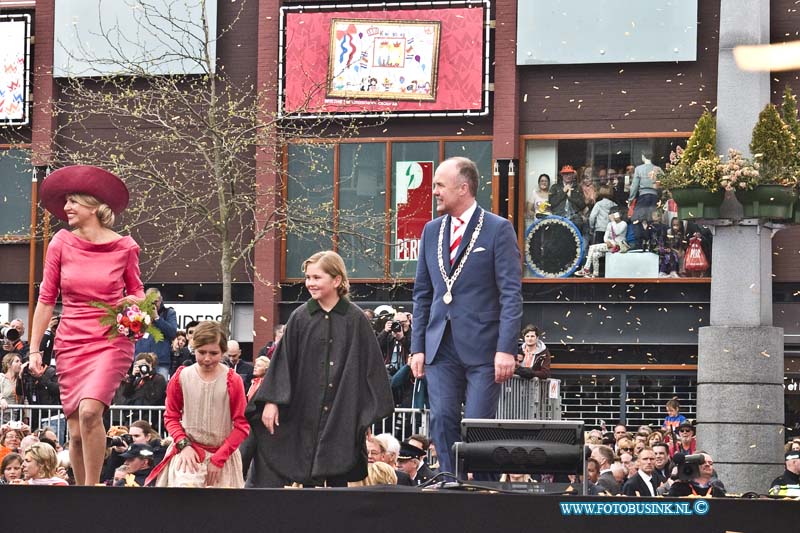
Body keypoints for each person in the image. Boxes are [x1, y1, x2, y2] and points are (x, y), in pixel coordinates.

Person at [28, 165, 145, 486]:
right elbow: (46, 298)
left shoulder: (124, 247)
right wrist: (35, 348)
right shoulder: (60, 243)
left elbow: (137, 291)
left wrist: (132, 303)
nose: (66, 207)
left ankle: (93, 492)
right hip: (70, 341)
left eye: (73, 201)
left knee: (92, 412)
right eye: (65, 201)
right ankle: (82, 493)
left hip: (111, 339)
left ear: (94, 206)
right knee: (77, 431)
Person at [410, 157, 523, 478]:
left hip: (485, 351)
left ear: (463, 188)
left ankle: (483, 491)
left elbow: (511, 295)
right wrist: (417, 346)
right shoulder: (431, 232)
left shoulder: (498, 229)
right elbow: (422, 294)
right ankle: (450, 483)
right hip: (439, 346)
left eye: (439, 185)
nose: (433, 192)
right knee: (442, 418)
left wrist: (506, 348)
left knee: (477, 426)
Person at [246, 251, 393, 488]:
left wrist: (365, 414)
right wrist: (272, 401)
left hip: (341, 411)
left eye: (317, 277)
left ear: (336, 280)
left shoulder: (355, 319)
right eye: (308, 277)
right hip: (304, 409)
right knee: (302, 466)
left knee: (338, 471)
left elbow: (372, 368)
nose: (310, 283)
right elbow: (283, 361)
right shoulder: (300, 317)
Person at [147, 321, 249, 488]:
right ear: (193, 348)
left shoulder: (233, 380)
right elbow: (171, 416)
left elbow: (242, 425)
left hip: (222, 457)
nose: (207, 358)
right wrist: (183, 445)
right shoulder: (181, 377)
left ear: (223, 352)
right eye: (201, 352)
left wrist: (219, 458)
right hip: (188, 454)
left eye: (214, 353)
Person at [134, 288, 178, 381]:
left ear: (161, 300)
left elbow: (172, 333)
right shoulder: (138, 312)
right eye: (150, 301)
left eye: (156, 302)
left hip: (161, 361)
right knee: (138, 389)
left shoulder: (169, 313)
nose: (153, 305)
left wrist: (157, 318)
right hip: (140, 359)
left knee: (160, 390)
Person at [574, 207, 628, 278]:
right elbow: (606, 236)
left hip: (619, 245)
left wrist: (612, 221)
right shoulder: (609, 224)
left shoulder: (623, 224)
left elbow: (617, 231)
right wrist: (606, 241)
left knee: (592, 248)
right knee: (595, 255)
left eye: (614, 213)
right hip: (610, 245)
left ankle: (586, 269)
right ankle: (595, 274)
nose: (612, 215)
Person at [629, 149, 662, 249]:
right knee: (651, 220)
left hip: (643, 196)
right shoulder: (658, 169)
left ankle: (640, 242)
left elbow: (634, 186)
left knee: (636, 219)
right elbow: (664, 184)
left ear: (643, 156)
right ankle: (651, 242)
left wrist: (630, 199)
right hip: (654, 197)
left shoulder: (639, 169)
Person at [549, 165, 586, 230]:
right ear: (562, 175)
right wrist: (563, 191)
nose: (568, 176)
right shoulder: (555, 187)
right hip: (558, 218)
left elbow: (582, 205)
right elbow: (551, 203)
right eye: (565, 174)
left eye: (570, 174)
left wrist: (570, 196)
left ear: (573, 175)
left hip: (575, 220)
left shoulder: (578, 187)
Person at [0, 353, 23, 423]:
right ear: (8, 365)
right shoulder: (1, 378)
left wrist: (26, 416)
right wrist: (1, 399)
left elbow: (24, 399)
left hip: (15, 417)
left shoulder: (20, 379)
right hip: (2, 415)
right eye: (17, 361)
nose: (20, 363)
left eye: (20, 361)